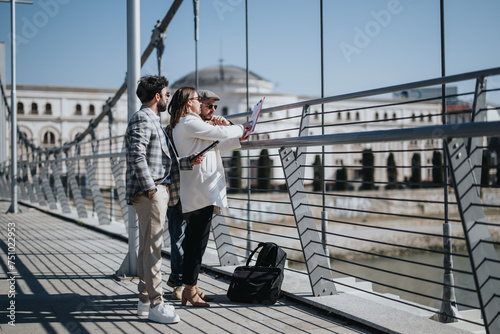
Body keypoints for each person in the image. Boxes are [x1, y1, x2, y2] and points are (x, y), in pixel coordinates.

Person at [125, 75, 204, 324]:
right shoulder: (142, 118)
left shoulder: (152, 120)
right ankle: (157, 304)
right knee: (153, 250)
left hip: (158, 189)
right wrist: (150, 189)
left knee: (148, 248)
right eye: (166, 94)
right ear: (157, 96)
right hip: (152, 192)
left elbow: (159, 160)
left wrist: (185, 162)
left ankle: (144, 300)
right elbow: (136, 156)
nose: (168, 98)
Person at [168, 87, 251, 307]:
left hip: (200, 191)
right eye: (198, 100)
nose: (203, 104)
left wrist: (234, 130)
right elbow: (219, 135)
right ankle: (189, 290)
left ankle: (191, 288)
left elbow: (220, 142)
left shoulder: (189, 124)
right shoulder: (188, 122)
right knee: (196, 243)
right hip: (200, 191)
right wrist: (241, 127)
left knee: (197, 241)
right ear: (188, 103)